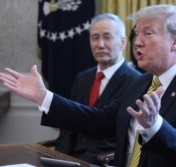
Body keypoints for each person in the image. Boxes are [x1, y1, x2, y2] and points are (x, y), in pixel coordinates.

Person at [0, 4, 176, 167]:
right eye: (136, 34)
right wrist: (44, 97)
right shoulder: (141, 83)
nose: (137, 41)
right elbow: (99, 122)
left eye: (148, 33)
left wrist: (155, 125)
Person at [53, 13, 140, 165]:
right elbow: (68, 127)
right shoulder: (82, 78)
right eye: (95, 38)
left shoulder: (136, 81)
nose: (100, 44)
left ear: (123, 42)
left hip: (103, 160)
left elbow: (119, 136)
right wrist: (59, 158)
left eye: (107, 37)